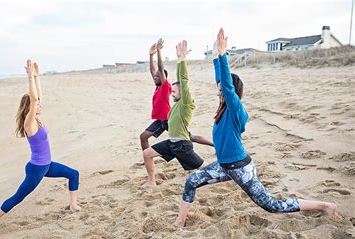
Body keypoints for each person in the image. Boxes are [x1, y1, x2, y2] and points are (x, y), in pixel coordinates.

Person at [173, 29, 337, 227]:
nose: (218, 86)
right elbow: (222, 80)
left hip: (241, 168)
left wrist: (223, 56)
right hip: (225, 166)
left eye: (222, 86)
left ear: (230, 89)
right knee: (192, 181)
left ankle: (324, 206)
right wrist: (216, 56)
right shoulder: (223, 107)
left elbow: (226, 83)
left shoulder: (236, 110)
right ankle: (179, 222)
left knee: (271, 205)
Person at [0, 60, 81, 226]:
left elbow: (38, 97)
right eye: (36, 105)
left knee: (74, 174)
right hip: (36, 169)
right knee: (19, 196)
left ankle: (73, 205)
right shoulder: (29, 123)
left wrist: (37, 77)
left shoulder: (36, 119)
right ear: (30, 107)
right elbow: (35, 99)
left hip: (47, 165)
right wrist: (30, 78)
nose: (40, 105)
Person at [143, 40, 212, 187]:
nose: (171, 94)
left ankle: (226, 172)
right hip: (171, 142)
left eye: (174, 92)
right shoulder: (174, 104)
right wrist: (151, 55)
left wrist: (181, 60)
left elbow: (182, 81)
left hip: (182, 146)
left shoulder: (185, 103)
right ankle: (151, 182)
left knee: (205, 167)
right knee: (147, 153)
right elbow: (155, 72)